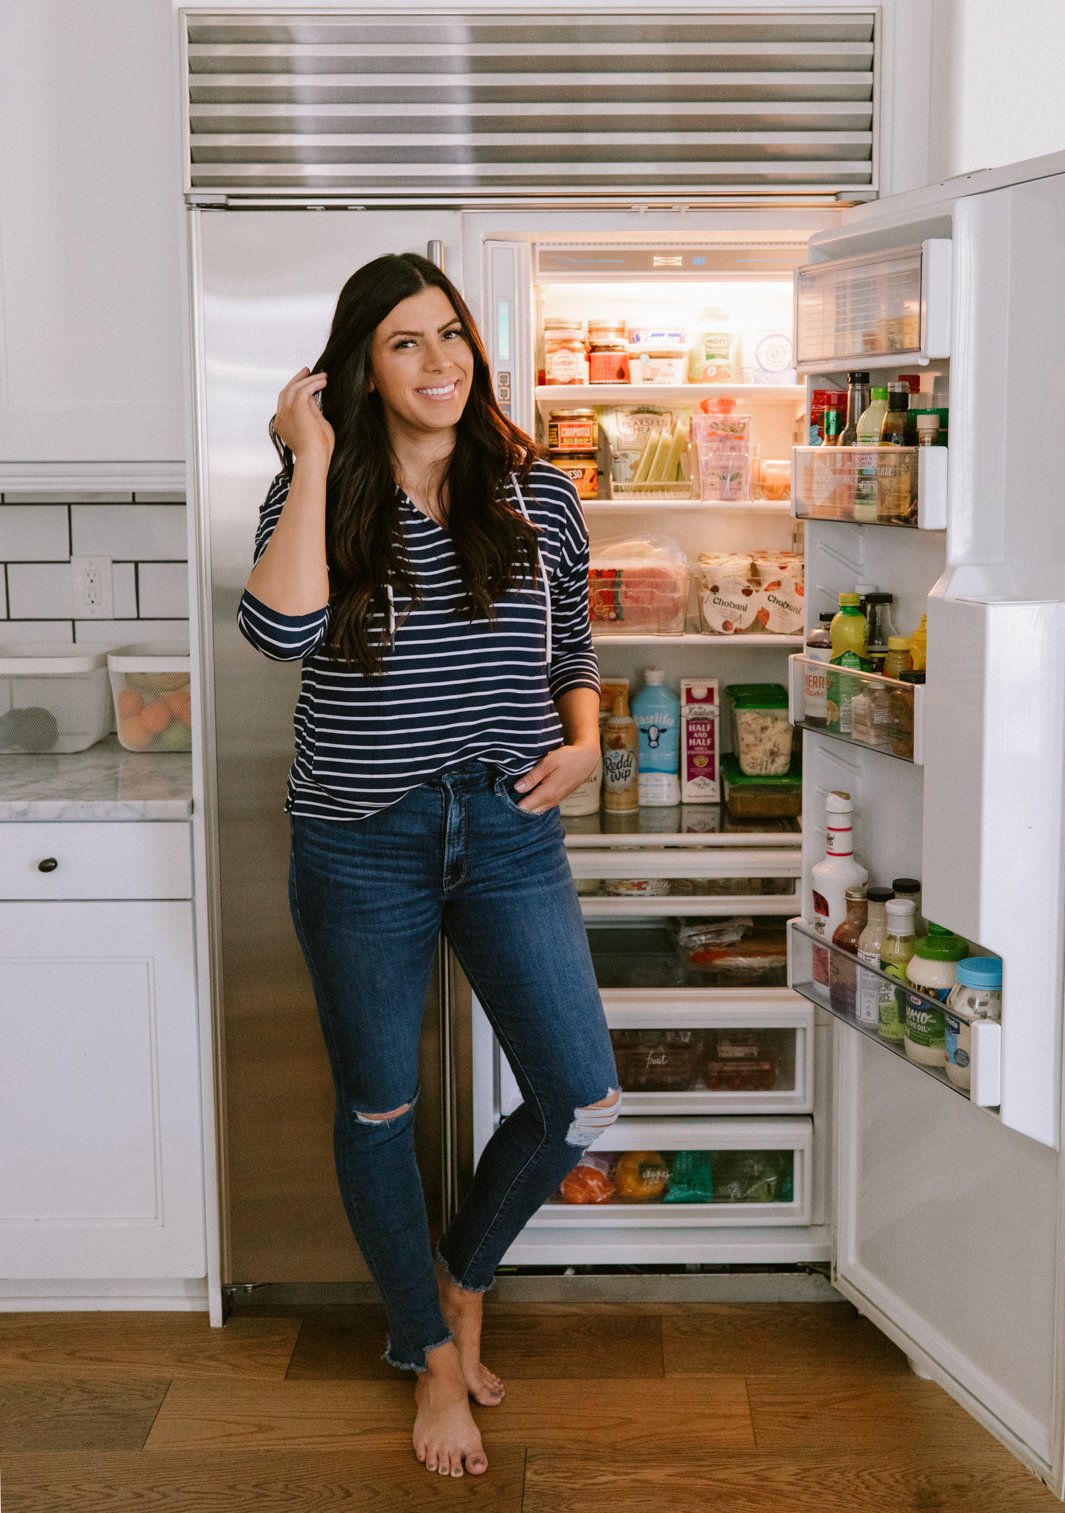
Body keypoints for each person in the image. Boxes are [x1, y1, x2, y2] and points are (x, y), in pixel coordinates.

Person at [237, 252, 621, 1479]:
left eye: (450, 335)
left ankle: (457, 1278)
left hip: (508, 830)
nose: (439, 361)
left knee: (580, 1095)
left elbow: (574, 642)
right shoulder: (323, 492)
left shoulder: (536, 493)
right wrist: (306, 456)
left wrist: (589, 740)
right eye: (405, 342)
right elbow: (276, 630)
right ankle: (429, 1353)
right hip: (361, 842)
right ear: (360, 365)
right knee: (379, 1109)